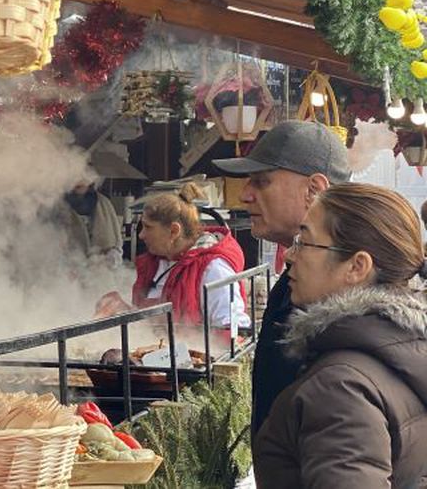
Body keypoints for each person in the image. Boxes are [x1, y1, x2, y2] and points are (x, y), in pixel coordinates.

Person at [253, 183, 427, 488]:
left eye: (305, 242)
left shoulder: (340, 387)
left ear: (357, 266)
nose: (291, 255)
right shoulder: (402, 349)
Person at [211, 120, 350, 438]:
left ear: (314, 189)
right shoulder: (304, 276)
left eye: (261, 182)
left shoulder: (339, 288)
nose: (245, 195)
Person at [131, 183, 250, 334]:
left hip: (193, 349)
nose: (141, 235)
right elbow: (148, 323)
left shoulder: (213, 268)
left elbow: (234, 329)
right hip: (152, 347)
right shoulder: (154, 263)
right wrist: (124, 312)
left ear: (174, 231)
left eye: (148, 227)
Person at [59, 180, 122, 264]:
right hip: (67, 270)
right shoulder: (58, 206)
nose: (79, 180)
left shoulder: (104, 203)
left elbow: (117, 242)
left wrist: (114, 253)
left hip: (102, 270)